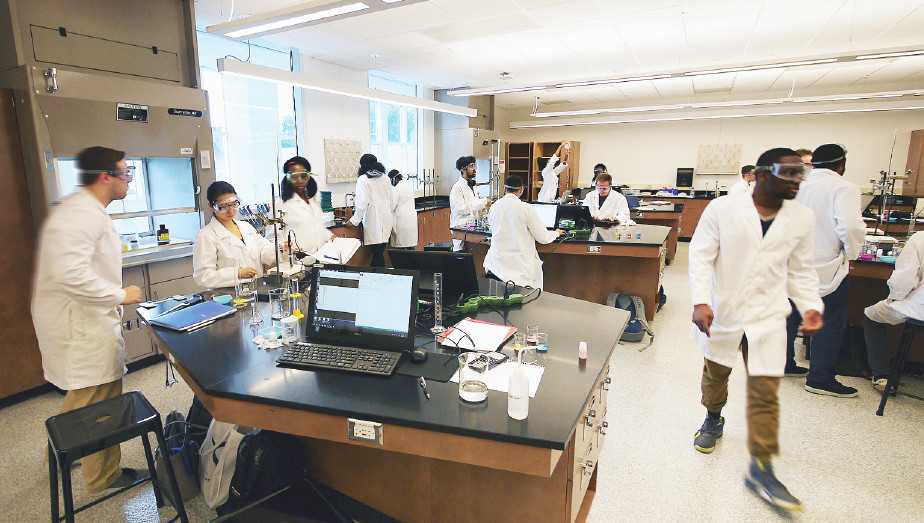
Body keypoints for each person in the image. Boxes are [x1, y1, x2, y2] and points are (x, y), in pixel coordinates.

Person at [689, 147, 822, 512]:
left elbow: (801, 269)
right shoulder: (723, 208)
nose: (798, 180)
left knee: (765, 389)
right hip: (724, 310)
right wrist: (700, 300)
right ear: (763, 175)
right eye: (789, 172)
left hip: (768, 315)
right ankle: (713, 418)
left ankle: (762, 468)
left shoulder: (801, 218)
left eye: (801, 173)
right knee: (716, 374)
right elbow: (700, 255)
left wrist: (811, 306)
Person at [31, 146, 147, 492]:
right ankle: (103, 477)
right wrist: (119, 295)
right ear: (105, 177)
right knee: (101, 402)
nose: (129, 180)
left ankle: (62, 451)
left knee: (84, 394)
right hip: (81, 326)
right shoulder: (82, 214)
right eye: (125, 173)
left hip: (79, 320)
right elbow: (72, 274)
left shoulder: (84, 209)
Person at [785, 143, 865, 396]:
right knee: (829, 321)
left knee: (790, 314)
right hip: (825, 266)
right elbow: (851, 227)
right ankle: (820, 378)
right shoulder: (844, 187)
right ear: (841, 164)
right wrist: (853, 253)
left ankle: (782, 363)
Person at [864, 231, 924, 391]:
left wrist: (895, 298)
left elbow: (904, 280)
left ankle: (881, 375)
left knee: (872, 316)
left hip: (919, 308)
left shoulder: (920, 238)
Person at [483, 175, 563, 288]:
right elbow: (543, 238)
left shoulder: (494, 207)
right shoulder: (526, 208)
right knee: (541, 271)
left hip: (497, 264)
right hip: (519, 266)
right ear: (521, 190)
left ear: (504, 189)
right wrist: (556, 233)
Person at [193, 181, 277, 288]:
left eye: (234, 204)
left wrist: (282, 249)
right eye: (223, 206)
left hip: (256, 289)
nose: (231, 211)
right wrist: (236, 273)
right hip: (227, 293)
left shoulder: (246, 227)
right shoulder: (207, 235)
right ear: (211, 206)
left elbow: (264, 250)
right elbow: (203, 276)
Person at [267, 156, 333, 258]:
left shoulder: (313, 199)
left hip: (320, 258)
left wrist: (332, 237)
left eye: (303, 176)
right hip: (295, 261)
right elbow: (272, 238)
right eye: (295, 177)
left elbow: (318, 228)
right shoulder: (280, 204)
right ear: (288, 178)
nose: (300, 181)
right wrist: (284, 247)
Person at [347, 156, 393, 267]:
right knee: (379, 252)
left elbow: (362, 203)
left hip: (373, 218)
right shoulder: (386, 178)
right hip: (386, 217)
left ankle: (377, 276)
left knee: (377, 254)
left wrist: (354, 220)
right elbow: (391, 200)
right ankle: (379, 275)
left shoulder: (363, 179)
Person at [449, 155, 490, 251]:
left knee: (477, 250)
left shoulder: (472, 186)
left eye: (474, 166)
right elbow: (462, 209)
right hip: (461, 227)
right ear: (463, 170)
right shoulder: (457, 188)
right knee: (463, 252)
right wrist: (483, 202)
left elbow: (474, 205)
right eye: (471, 166)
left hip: (471, 226)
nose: (474, 169)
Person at [389, 169, 418, 250]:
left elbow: (391, 206)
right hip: (410, 219)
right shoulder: (407, 186)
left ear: (395, 179)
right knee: (410, 245)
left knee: (400, 247)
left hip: (401, 220)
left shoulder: (397, 188)